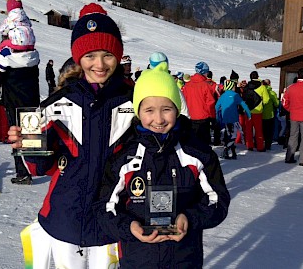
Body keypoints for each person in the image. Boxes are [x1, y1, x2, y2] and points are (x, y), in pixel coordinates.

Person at [8, 3, 135, 268]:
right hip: (66, 219)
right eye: (89, 56)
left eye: (107, 55)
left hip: (111, 221)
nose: (99, 64)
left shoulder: (134, 102)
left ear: (118, 56)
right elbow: (40, 167)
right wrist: (27, 144)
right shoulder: (58, 102)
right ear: (78, 58)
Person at [93, 62, 230, 268]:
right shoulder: (124, 158)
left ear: (177, 109)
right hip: (138, 259)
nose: (158, 119)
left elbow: (218, 200)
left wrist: (189, 218)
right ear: (138, 112)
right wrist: (129, 227)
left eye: (166, 109)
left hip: (184, 259)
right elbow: (104, 207)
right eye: (149, 110)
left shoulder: (197, 154)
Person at [0, 4, 41, 183]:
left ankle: (23, 172)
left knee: (17, 136)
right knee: (32, 135)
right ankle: (37, 166)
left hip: (13, 101)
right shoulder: (34, 55)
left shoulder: (6, 54)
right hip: (32, 98)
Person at [215, 80, 251, 159]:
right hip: (234, 119)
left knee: (228, 136)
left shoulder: (223, 96)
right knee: (232, 136)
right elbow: (244, 105)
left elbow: (217, 107)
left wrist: (217, 116)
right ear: (231, 87)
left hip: (225, 119)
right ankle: (227, 151)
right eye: (234, 86)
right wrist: (248, 114)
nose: (235, 88)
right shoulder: (236, 95)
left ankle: (231, 152)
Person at [182, 61, 215, 145]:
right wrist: (212, 117)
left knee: (192, 142)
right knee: (203, 142)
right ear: (204, 72)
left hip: (190, 117)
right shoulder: (206, 85)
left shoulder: (187, 85)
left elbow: (184, 100)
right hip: (203, 118)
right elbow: (210, 102)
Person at [244, 71, 269, 152]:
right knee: (258, 130)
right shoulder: (262, 87)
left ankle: (249, 146)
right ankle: (260, 146)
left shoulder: (247, 87)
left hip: (247, 111)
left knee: (248, 129)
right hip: (258, 111)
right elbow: (266, 100)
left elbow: (243, 98)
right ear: (258, 77)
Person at [262, 79, 279, 150]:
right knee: (269, 131)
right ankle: (268, 145)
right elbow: (277, 103)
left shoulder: (260, 91)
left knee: (261, 130)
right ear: (269, 84)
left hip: (260, 114)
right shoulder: (272, 93)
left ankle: (260, 143)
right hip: (269, 114)